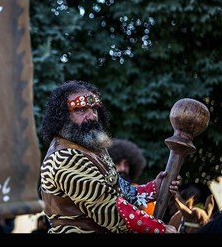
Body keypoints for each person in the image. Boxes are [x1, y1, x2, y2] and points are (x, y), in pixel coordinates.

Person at [39, 80, 180, 233]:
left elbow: (118, 190)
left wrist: (153, 189)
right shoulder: (65, 157)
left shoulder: (90, 149)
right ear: (63, 116)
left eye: (94, 109)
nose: (92, 116)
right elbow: (109, 209)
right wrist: (159, 229)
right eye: (81, 109)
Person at [108, 138, 155, 215]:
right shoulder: (100, 189)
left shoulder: (142, 193)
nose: (122, 168)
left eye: (126, 164)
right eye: (118, 163)